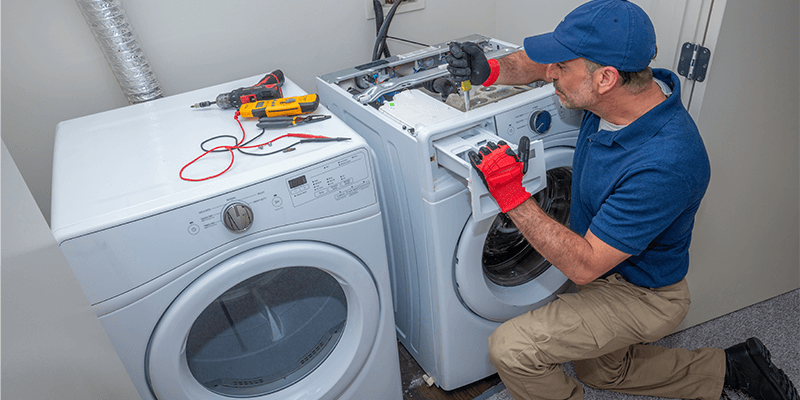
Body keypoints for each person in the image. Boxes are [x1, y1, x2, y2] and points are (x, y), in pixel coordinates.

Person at [445, 1, 800, 400]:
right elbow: (536, 62)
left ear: (605, 79)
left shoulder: (667, 162)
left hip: (642, 293)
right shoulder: (620, 93)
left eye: (561, 68)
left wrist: (511, 194)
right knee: (604, 374)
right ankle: (728, 368)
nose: (549, 75)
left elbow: (584, 266)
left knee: (512, 350)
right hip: (607, 266)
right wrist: (491, 70)